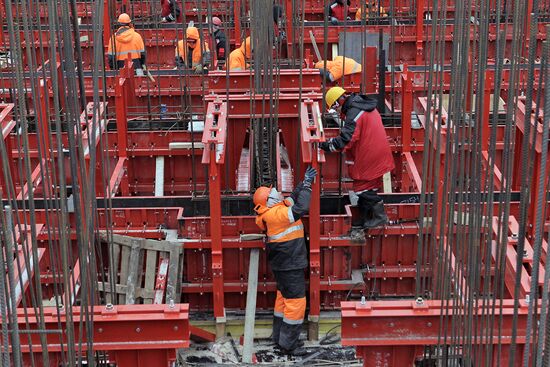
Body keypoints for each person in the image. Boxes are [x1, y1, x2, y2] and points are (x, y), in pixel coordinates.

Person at [253, 167, 317, 357]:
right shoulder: (276, 215)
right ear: (269, 201)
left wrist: (302, 183)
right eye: (274, 193)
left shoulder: (274, 210)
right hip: (290, 264)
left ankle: (279, 338)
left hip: (284, 264)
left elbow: (293, 198)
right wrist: (307, 186)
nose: (278, 193)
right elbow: (301, 208)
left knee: (283, 299)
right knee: (296, 303)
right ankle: (288, 345)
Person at [320, 87, 394, 242]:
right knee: (369, 187)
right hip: (377, 152)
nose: (337, 110)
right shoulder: (362, 106)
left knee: (361, 189)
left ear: (340, 100)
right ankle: (367, 219)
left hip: (369, 155)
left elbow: (347, 139)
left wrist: (327, 145)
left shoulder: (354, 113)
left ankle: (380, 217)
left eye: (335, 106)